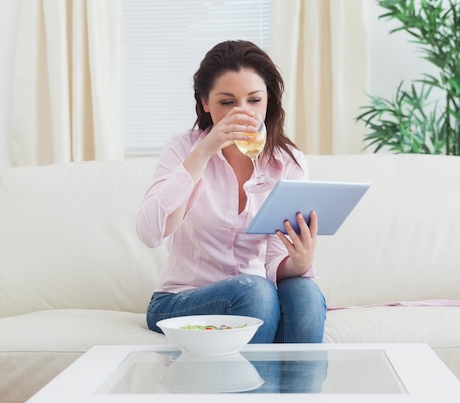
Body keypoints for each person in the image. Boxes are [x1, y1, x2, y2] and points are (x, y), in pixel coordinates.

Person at [136, 40, 326, 343]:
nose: (243, 112)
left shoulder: (285, 162)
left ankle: (294, 391)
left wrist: (299, 263)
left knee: (305, 293)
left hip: (257, 295)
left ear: (269, 102)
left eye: (254, 100)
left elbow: (274, 263)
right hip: (181, 300)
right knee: (256, 292)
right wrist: (204, 152)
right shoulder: (183, 148)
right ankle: (255, 390)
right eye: (227, 102)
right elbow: (149, 233)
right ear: (205, 102)